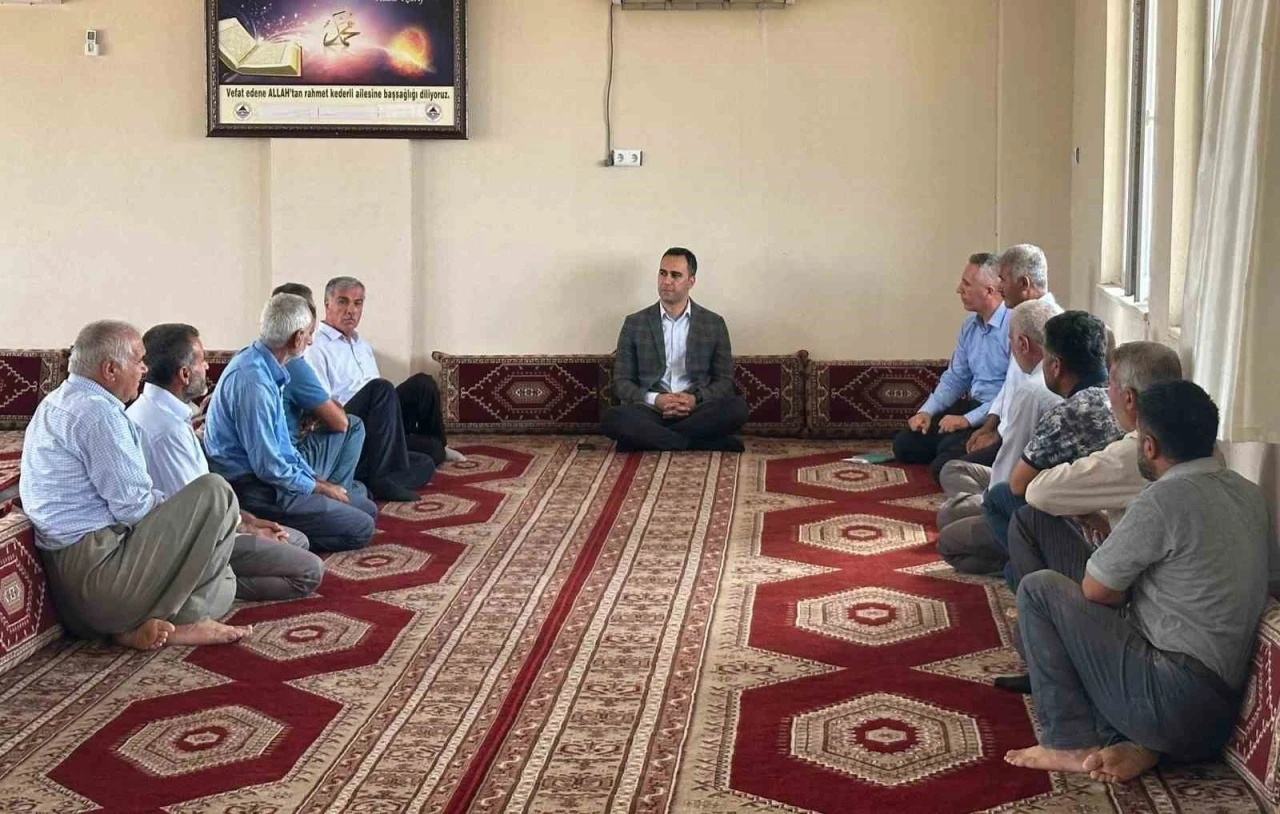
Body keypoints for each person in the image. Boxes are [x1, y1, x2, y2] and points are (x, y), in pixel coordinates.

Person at [1005, 380, 1279, 784]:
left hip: (1169, 698)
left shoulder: (1164, 498)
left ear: (1148, 446)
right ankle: (1138, 744)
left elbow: (1096, 591)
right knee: (1059, 609)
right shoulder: (1250, 495)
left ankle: (1068, 741)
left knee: (1038, 591)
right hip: (1215, 716)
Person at [19, 320, 251, 650]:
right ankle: (178, 622)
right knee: (217, 495)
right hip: (101, 578)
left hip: (73, 594)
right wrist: (185, 517)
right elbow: (135, 508)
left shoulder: (56, 401)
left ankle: (130, 627)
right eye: (139, 360)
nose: (145, 369)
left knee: (226, 579)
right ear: (110, 369)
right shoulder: (98, 414)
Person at [128, 323, 323, 602]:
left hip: (205, 526)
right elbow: (197, 513)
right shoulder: (167, 431)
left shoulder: (153, 410)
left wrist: (250, 520)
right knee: (309, 571)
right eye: (202, 361)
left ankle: (213, 579)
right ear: (184, 374)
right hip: (192, 544)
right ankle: (203, 586)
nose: (207, 367)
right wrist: (248, 529)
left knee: (297, 540)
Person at [205, 294, 378, 552]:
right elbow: (268, 467)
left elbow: (283, 448)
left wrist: (316, 481)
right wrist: (316, 487)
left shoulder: (265, 364)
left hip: (271, 480)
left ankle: (310, 518)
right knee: (362, 527)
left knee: (367, 508)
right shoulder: (254, 383)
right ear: (297, 338)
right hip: (256, 489)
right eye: (309, 334)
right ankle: (290, 534)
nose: (311, 341)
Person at [1008, 342, 1183, 586]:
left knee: (1027, 519)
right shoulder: (1198, 442)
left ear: (1129, 398)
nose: (1107, 394)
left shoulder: (1137, 452)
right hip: (1166, 574)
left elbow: (1036, 491)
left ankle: (1036, 601)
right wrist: (1096, 516)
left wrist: (1083, 503)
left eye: (1111, 385)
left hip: (1133, 588)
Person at [981, 311, 1121, 583]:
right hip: (1118, 534)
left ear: (1055, 365)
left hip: (1096, 545)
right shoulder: (1122, 400)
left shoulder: (1069, 413)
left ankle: (1033, 581)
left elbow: (1018, 485)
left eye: (1044, 358)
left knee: (998, 498)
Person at [935, 299, 1062, 575]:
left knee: (948, 530)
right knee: (953, 470)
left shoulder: (1033, 392)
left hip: (1025, 501)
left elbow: (1009, 472)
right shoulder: (1058, 379)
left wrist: (988, 504)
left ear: (1022, 344)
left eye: (1010, 341)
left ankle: (1022, 559)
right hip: (1037, 489)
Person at [304, 276, 451, 502]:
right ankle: (380, 477)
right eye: (343, 302)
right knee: (380, 389)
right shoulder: (316, 345)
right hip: (347, 424)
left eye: (357, 303)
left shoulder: (361, 344)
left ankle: (371, 472)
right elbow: (322, 407)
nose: (351, 310)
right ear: (327, 304)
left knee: (430, 444)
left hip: (378, 424)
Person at [601, 247, 750, 452]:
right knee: (612, 418)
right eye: (662, 273)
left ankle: (647, 440)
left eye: (675, 275)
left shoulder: (713, 323)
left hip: (696, 410)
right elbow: (621, 383)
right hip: (650, 410)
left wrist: (694, 399)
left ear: (691, 281)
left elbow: (725, 382)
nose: (666, 281)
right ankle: (700, 443)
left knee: (737, 408)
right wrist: (656, 399)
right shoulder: (635, 323)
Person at [892, 253, 1009, 482]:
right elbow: (955, 378)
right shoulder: (969, 326)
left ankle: (967, 451)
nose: (958, 289)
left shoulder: (1013, 327)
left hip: (998, 417)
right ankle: (955, 447)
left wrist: (967, 421)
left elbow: (1012, 393)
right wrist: (926, 411)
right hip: (973, 407)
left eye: (966, 284)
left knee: (944, 466)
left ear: (989, 291)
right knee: (904, 444)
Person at [271, 283, 369, 497]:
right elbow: (340, 422)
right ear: (298, 333)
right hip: (284, 468)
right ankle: (336, 498)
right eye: (309, 333)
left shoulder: (246, 358)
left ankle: (340, 492)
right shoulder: (294, 365)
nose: (311, 341)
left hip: (253, 469)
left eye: (357, 303)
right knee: (354, 425)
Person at [965, 244, 1060, 459]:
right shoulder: (1020, 316)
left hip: (1023, 441)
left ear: (1024, 284)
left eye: (1003, 280)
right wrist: (988, 427)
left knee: (949, 466)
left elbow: (1034, 404)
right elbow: (1009, 384)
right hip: (1004, 430)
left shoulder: (1050, 326)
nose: (999, 288)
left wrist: (998, 437)